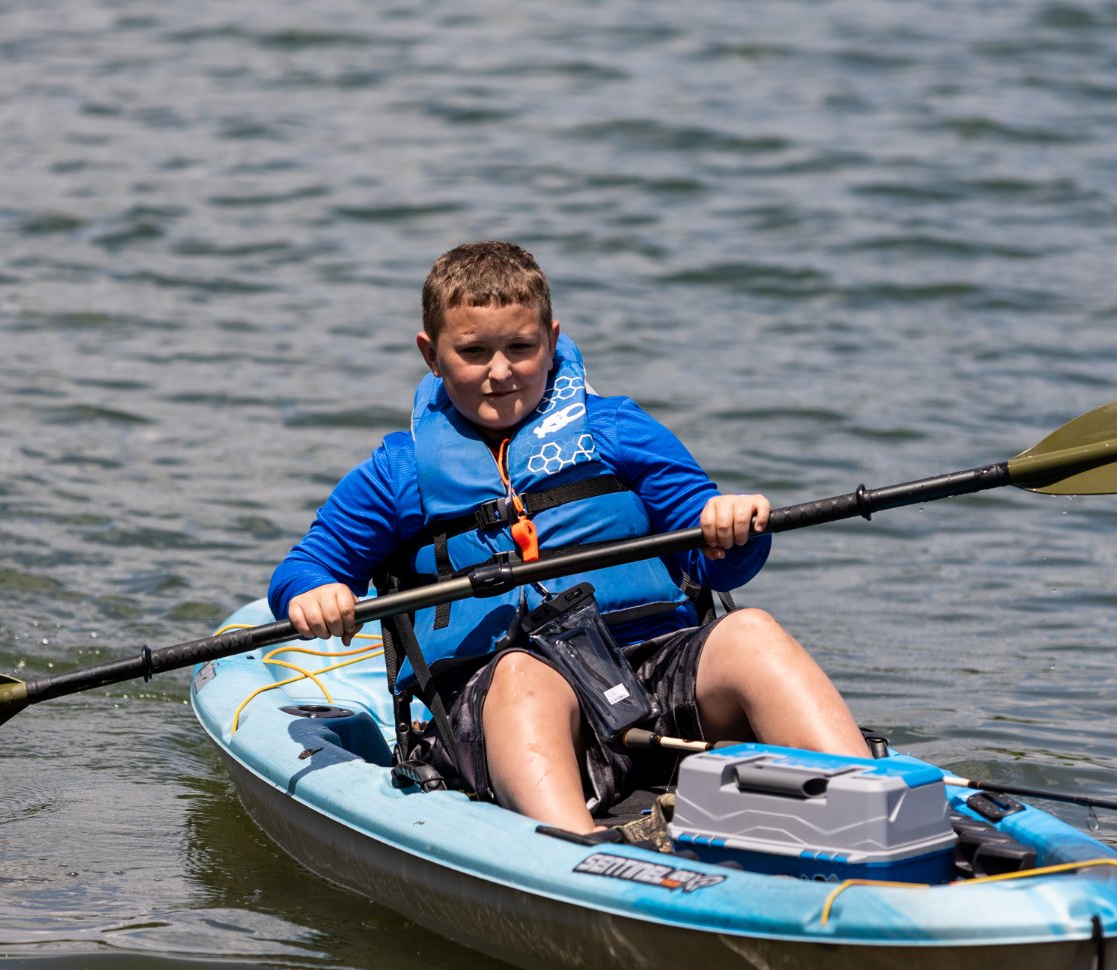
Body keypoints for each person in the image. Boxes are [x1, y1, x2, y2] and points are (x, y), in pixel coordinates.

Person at [269, 240, 864, 835]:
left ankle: (868, 805)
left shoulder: (616, 428)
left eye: (521, 348)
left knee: (751, 632)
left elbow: (718, 565)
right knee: (526, 676)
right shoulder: (399, 473)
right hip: (501, 706)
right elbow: (306, 568)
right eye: (473, 352)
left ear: (551, 340)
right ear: (432, 355)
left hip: (653, 676)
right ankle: (578, 853)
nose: (500, 372)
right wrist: (313, 594)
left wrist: (730, 528)